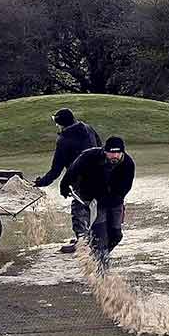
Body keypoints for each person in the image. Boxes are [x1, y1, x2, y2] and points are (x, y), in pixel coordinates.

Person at [61, 135, 135, 266]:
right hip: (95, 199)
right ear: (105, 151)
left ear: (122, 152)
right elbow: (73, 170)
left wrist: (111, 201)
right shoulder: (90, 156)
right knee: (100, 235)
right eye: (111, 153)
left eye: (118, 153)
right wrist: (65, 185)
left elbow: (124, 188)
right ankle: (101, 264)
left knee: (116, 235)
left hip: (115, 200)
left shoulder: (128, 164)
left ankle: (96, 251)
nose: (115, 156)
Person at [34, 107, 100, 253]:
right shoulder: (88, 128)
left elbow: (56, 169)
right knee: (92, 207)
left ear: (61, 124)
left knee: (79, 210)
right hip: (99, 174)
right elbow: (101, 147)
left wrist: (41, 182)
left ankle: (82, 242)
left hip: (81, 179)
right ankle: (88, 238)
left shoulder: (63, 140)